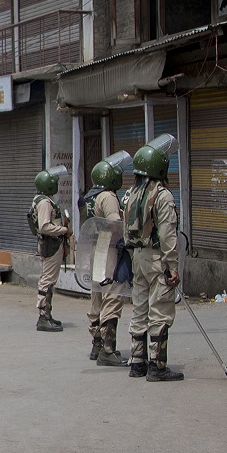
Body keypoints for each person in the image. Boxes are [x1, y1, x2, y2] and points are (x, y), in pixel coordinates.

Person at [123, 134, 183, 381]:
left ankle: (137, 363)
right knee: (160, 310)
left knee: (139, 308)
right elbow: (168, 235)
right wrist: (173, 266)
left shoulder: (132, 193)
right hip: (158, 259)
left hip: (138, 257)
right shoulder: (162, 195)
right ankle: (157, 366)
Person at [84, 152, 131, 365]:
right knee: (112, 293)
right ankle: (108, 349)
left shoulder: (90, 196)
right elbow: (115, 224)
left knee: (97, 295)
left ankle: (96, 344)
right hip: (108, 247)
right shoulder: (108, 196)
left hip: (94, 249)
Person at [29, 166, 71, 332]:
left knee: (50, 279)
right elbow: (45, 226)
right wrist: (64, 230)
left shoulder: (40, 200)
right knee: (47, 280)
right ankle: (43, 317)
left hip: (50, 244)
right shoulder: (45, 203)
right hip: (51, 244)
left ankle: (47, 314)